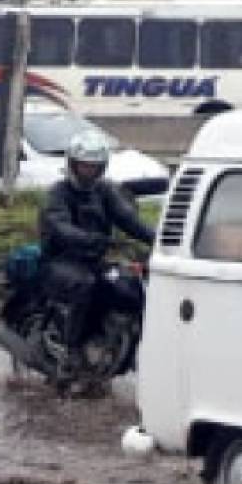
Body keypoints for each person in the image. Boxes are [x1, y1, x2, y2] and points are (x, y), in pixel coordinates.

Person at [38, 130, 154, 351]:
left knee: (130, 286)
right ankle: (72, 348)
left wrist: (159, 239)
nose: (89, 171)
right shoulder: (58, 193)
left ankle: (113, 339)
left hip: (95, 260)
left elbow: (128, 220)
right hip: (60, 261)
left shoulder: (104, 191)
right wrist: (92, 239)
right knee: (86, 285)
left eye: (94, 167)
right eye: (84, 166)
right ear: (73, 165)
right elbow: (60, 227)